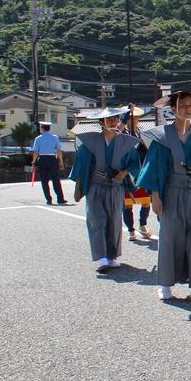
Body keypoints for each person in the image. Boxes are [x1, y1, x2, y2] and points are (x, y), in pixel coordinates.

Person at [138, 90, 191, 303]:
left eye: (190, 105)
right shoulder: (162, 136)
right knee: (170, 237)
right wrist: (155, 196)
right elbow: (154, 167)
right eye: (182, 105)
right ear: (173, 109)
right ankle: (166, 284)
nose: (187, 109)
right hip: (173, 191)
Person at [69, 107, 141, 272]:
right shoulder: (90, 141)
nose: (112, 122)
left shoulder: (126, 142)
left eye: (114, 119)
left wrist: (124, 172)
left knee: (115, 221)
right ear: (101, 123)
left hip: (116, 187)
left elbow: (134, 163)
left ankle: (112, 256)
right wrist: (78, 187)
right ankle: (102, 258)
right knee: (96, 220)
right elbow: (80, 165)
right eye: (108, 120)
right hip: (96, 185)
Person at [120, 107, 153, 241]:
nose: (134, 120)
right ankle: (131, 230)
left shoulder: (141, 133)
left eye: (136, 118)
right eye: (132, 118)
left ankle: (143, 224)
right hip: (127, 171)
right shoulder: (121, 133)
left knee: (146, 202)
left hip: (141, 170)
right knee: (127, 203)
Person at [31, 120, 68, 205]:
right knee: (56, 179)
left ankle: (48, 199)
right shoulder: (55, 137)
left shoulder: (38, 138)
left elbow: (35, 152)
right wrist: (61, 162)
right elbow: (59, 150)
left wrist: (33, 162)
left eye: (40, 127)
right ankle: (60, 198)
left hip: (42, 159)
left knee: (44, 181)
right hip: (52, 158)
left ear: (42, 128)